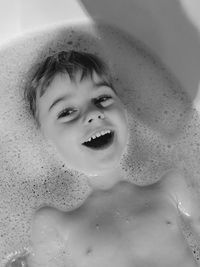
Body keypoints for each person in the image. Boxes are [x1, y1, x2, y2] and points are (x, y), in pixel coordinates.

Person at [12, 50, 200, 266]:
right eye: (67, 112)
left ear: (125, 109)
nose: (93, 113)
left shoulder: (172, 186)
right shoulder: (54, 223)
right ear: (44, 140)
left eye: (102, 98)